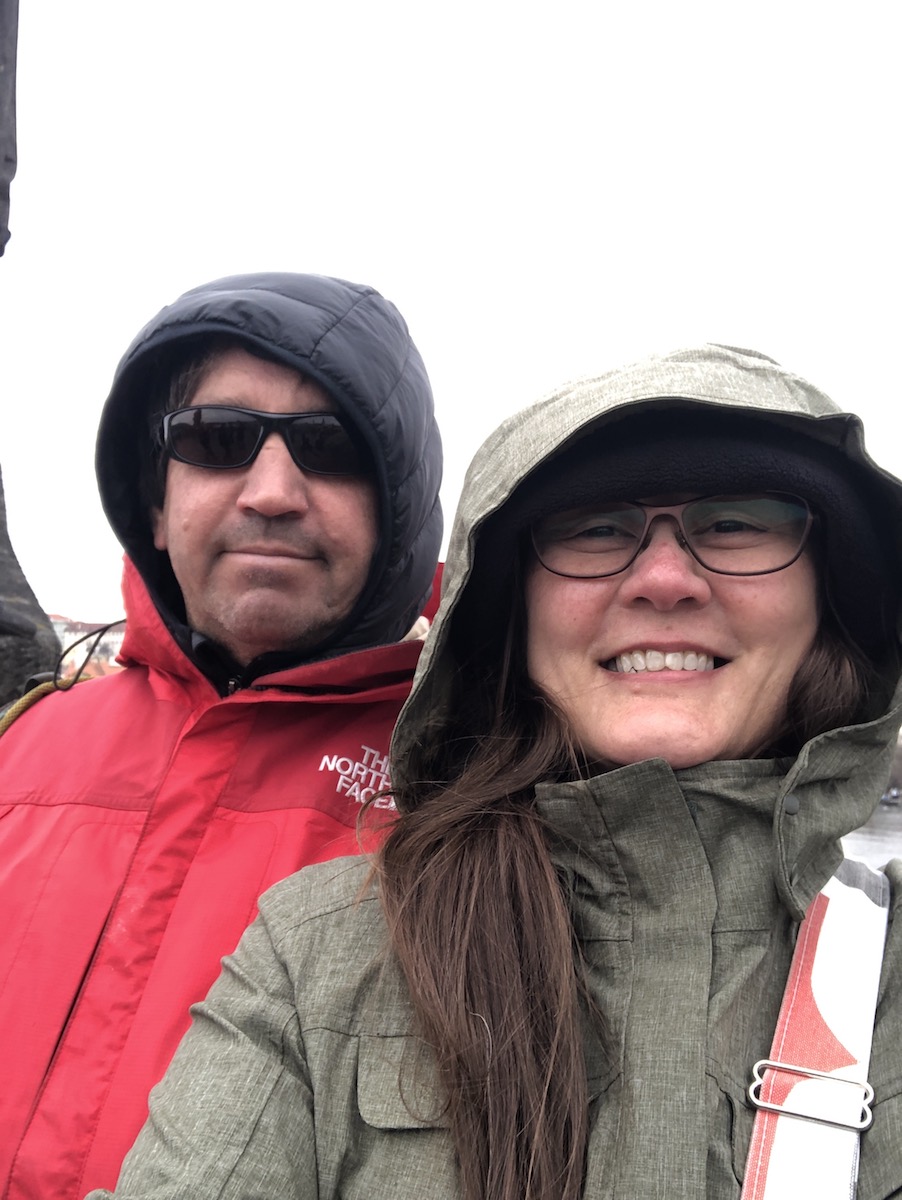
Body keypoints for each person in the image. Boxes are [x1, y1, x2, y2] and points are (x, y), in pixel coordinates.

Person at [91, 344, 902, 1200]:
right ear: (508, 609)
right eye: (595, 529)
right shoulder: (317, 956)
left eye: (736, 522)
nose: (665, 580)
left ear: (832, 597)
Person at [0, 272, 442, 1199]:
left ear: (397, 515)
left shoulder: (470, 790)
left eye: (330, 449)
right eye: (216, 439)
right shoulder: (24, 747)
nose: (273, 491)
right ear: (155, 504)